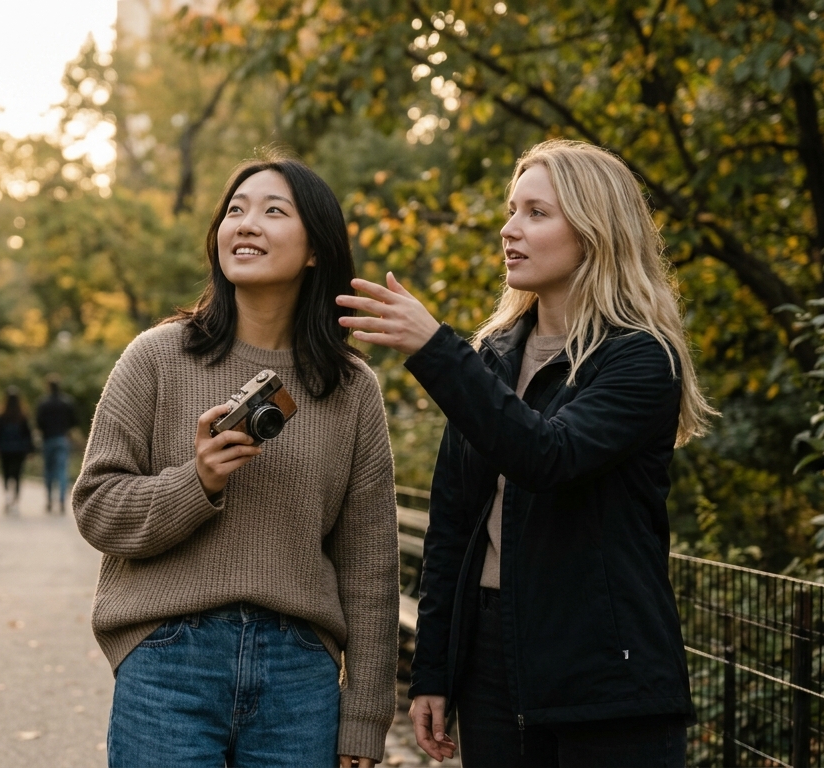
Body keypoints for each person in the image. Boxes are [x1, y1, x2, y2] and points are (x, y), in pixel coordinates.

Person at [337, 139, 716, 767]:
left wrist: (436, 349)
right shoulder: (493, 360)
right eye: (512, 211)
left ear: (596, 232)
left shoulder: (641, 359)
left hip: (606, 677)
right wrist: (435, 670)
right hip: (491, 660)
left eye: (537, 213)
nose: (510, 230)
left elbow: (550, 456)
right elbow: (453, 524)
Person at [74, 155, 399, 768]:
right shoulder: (157, 357)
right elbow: (97, 510)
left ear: (314, 250)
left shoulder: (350, 388)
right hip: (169, 662)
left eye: (274, 211)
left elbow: (370, 564)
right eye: (235, 210)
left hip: (299, 676)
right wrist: (197, 481)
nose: (246, 224)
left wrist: (364, 717)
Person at [0, 387, 35, 513]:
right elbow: (28, 434)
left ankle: (8, 495)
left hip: (5, 449)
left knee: (6, 473)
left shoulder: (1, 415)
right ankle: (15, 498)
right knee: (17, 474)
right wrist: (31, 450)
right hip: (19, 450)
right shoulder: (23, 416)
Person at [36, 376, 77, 513]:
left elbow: (39, 423)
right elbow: (73, 421)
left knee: (48, 470)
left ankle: (49, 499)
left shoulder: (43, 403)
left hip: (48, 439)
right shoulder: (66, 402)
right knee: (62, 470)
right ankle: (61, 501)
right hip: (62, 439)